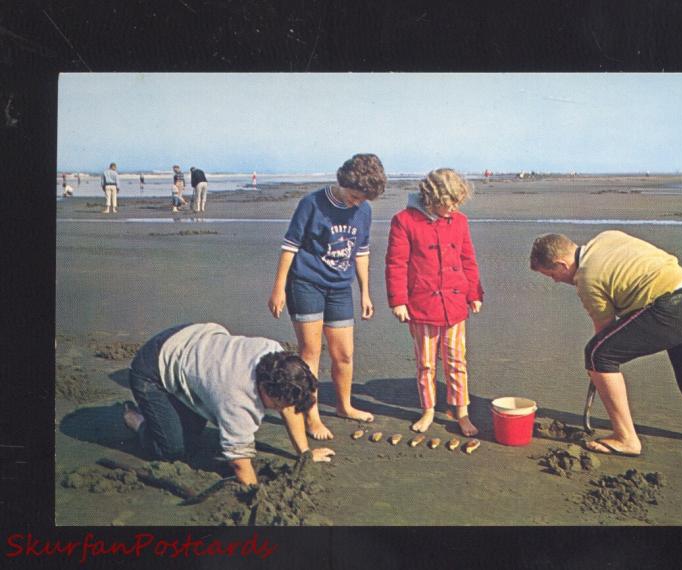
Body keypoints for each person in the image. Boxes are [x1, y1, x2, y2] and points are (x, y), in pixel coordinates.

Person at [529, 230, 682, 456]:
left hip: (674, 308)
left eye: (552, 275)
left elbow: (603, 334)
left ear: (562, 264)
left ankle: (626, 438)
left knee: (597, 354)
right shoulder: (606, 237)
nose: (555, 281)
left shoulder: (587, 279)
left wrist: (596, 369)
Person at [121, 322, 336, 485]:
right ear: (265, 390)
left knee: (193, 433)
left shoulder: (276, 355)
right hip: (151, 369)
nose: (285, 409)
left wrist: (305, 454)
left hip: (195, 341)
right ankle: (139, 420)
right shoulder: (238, 402)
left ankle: (169, 409)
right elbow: (239, 464)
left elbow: (291, 404)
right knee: (173, 450)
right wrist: (255, 495)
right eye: (281, 404)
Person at [268, 153, 386, 440]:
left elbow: (361, 253)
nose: (356, 202)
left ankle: (344, 406)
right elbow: (290, 246)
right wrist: (279, 288)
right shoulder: (311, 203)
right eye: (354, 195)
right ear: (343, 181)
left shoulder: (364, 210)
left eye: (363, 199)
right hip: (306, 284)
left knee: (344, 353)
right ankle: (312, 416)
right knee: (310, 352)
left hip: (340, 288)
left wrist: (365, 293)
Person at [385, 168, 484, 436]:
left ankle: (461, 411)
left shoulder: (460, 221)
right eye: (449, 202)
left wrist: (474, 294)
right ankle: (428, 410)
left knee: (456, 361)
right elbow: (396, 263)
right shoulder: (404, 221)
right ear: (432, 198)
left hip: (454, 304)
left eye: (457, 203)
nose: (453, 208)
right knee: (426, 363)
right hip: (421, 305)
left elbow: (468, 260)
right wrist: (399, 301)